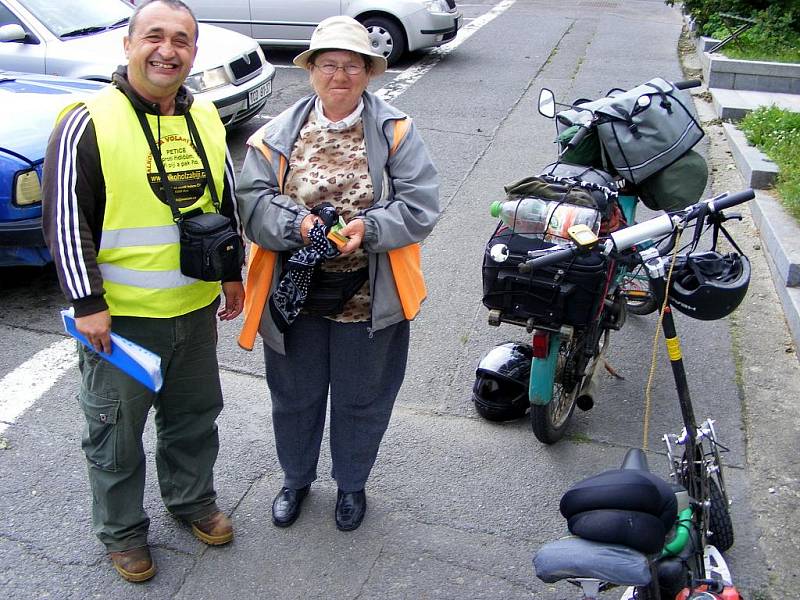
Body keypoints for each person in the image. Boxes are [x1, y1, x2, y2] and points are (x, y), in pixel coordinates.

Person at [41, 0, 244, 583]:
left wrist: (232, 271)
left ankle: (191, 500)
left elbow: (222, 200)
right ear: (127, 45)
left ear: (194, 53)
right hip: (121, 320)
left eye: (181, 40)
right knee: (116, 432)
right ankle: (124, 532)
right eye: (154, 36)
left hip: (193, 310)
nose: (167, 50)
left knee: (194, 417)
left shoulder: (203, 116)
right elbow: (65, 220)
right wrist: (88, 304)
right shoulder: (88, 119)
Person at [236, 16, 440, 532]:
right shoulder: (275, 135)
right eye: (329, 64)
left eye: (353, 65)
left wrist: (368, 229)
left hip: (370, 296)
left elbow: (420, 205)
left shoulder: (396, 130)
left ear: (370, 72)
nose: (340, 75)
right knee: (295, 396)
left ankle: (351, 484)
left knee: (362, 398)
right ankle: (296, 480)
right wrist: (297, 224)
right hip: (294, 296)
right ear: (311, 71)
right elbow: (252, 204)